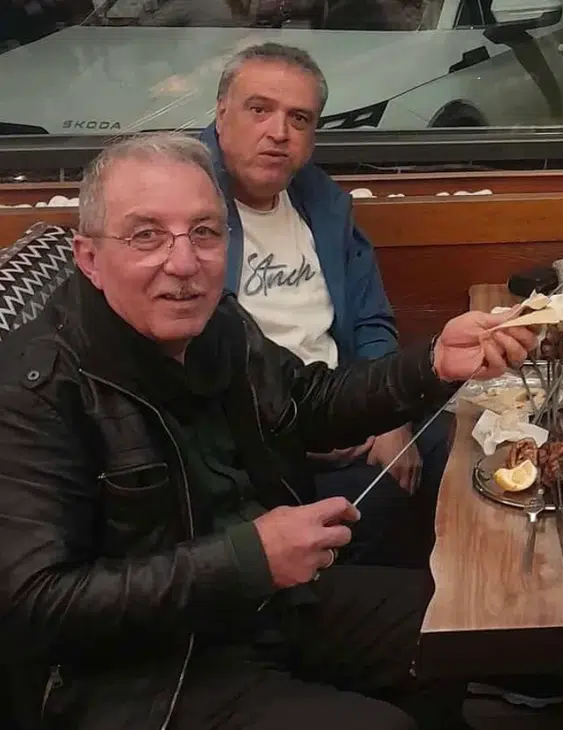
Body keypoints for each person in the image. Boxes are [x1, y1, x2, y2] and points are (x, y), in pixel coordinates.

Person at [0, 132, 535, 730]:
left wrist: (435, 362)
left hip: (258, 606)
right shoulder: (33, 392)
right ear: (89, 258)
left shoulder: (216, 323)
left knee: (452, 624)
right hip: (143, 674)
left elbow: (307, 401)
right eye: (146, 235)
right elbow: (33, 605)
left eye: (205, 232)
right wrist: (247, 559)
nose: (184, 263)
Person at [199, 41, 563, 710]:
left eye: (300, 118)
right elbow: (205, 375)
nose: (278, 132)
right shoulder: (188, 212)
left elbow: (371, 319)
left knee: (490, 439)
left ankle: (501, 633)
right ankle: (431, 653)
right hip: (269, 439)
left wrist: (389, 414)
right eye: (259, 109)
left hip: (345, 399)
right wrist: (305, 433)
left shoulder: (320, 201)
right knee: (410, 493)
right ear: (220, 112)